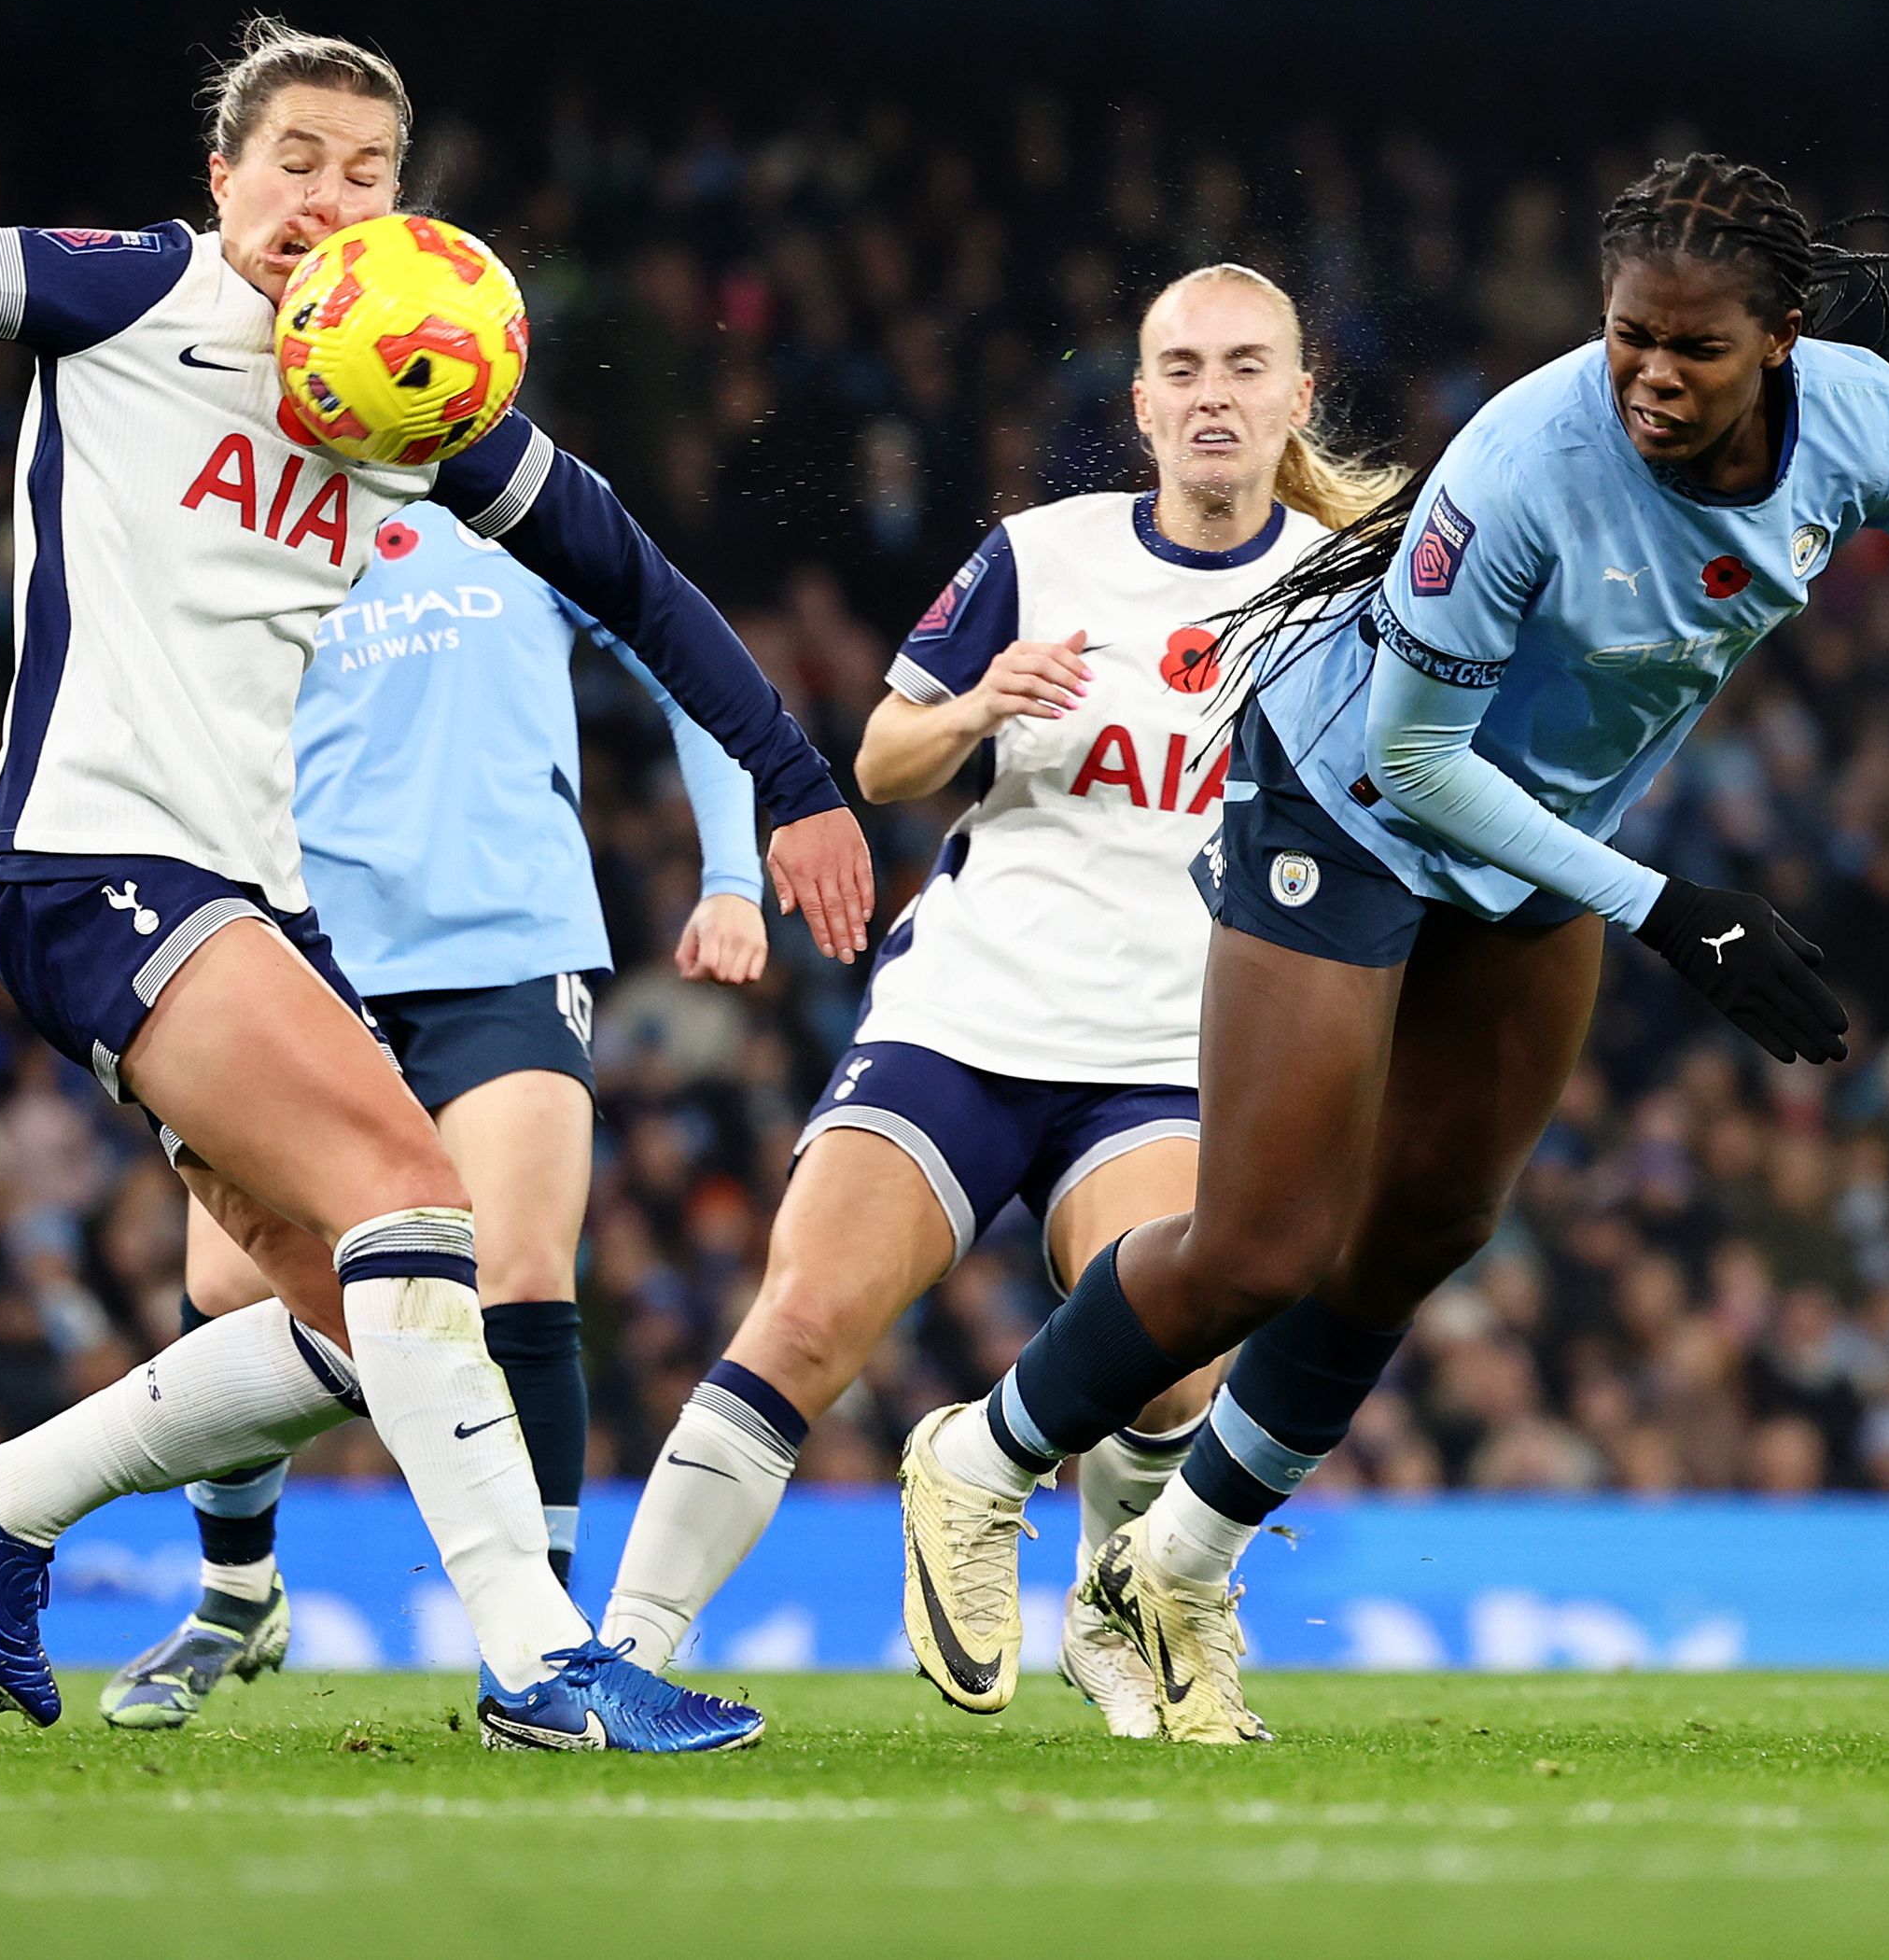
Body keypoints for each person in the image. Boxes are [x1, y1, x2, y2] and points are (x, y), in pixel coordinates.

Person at [0, 16, 873, 1753]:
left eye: (366, 175)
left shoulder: (412, 409)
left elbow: (645, 587)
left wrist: (799, 786)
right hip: (91, 857)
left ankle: (2, 1504)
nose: (324, 198)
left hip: (244, 898)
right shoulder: (133, 296)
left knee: (354, 1318)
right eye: (294, 163)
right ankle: (540, 1662)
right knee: (417, 1199)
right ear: (222, 178)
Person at [893, 155, 1889, 1742]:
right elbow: (1416, 765)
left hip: (1547, 831)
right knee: (1265, 1243)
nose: (1653, 377)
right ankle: (978, 1461)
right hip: (1348, 800)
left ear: (1783, 340)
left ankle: (1172, 1570)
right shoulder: (1525, 460)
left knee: (1431, 1227)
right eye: (1627, 338)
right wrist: (1670, 909)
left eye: (1695, 349)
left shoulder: (1865, 421)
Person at [595, 265, 1395, 1736]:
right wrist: (973, 709)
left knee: (1171, 1377)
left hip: (1168, 1047)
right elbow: (886, 760)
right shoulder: (1043, 553)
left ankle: (1115, 1614)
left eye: (1243, 368)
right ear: (1143, 406)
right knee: (809, 1315)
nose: (1212, 394)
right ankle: (621, 1655)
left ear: (1298, 398)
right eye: (1182, 370)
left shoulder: (1353, 601)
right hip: (970, 1014)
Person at [100, 497, 775, 1729]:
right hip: (308, 963)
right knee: (238, 1290)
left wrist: (731, 874)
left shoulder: (525, 507)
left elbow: (693, 668)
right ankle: (238, 1585)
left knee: (518, 1269)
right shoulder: (253, 511)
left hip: (509, 948)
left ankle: (547, 1657)